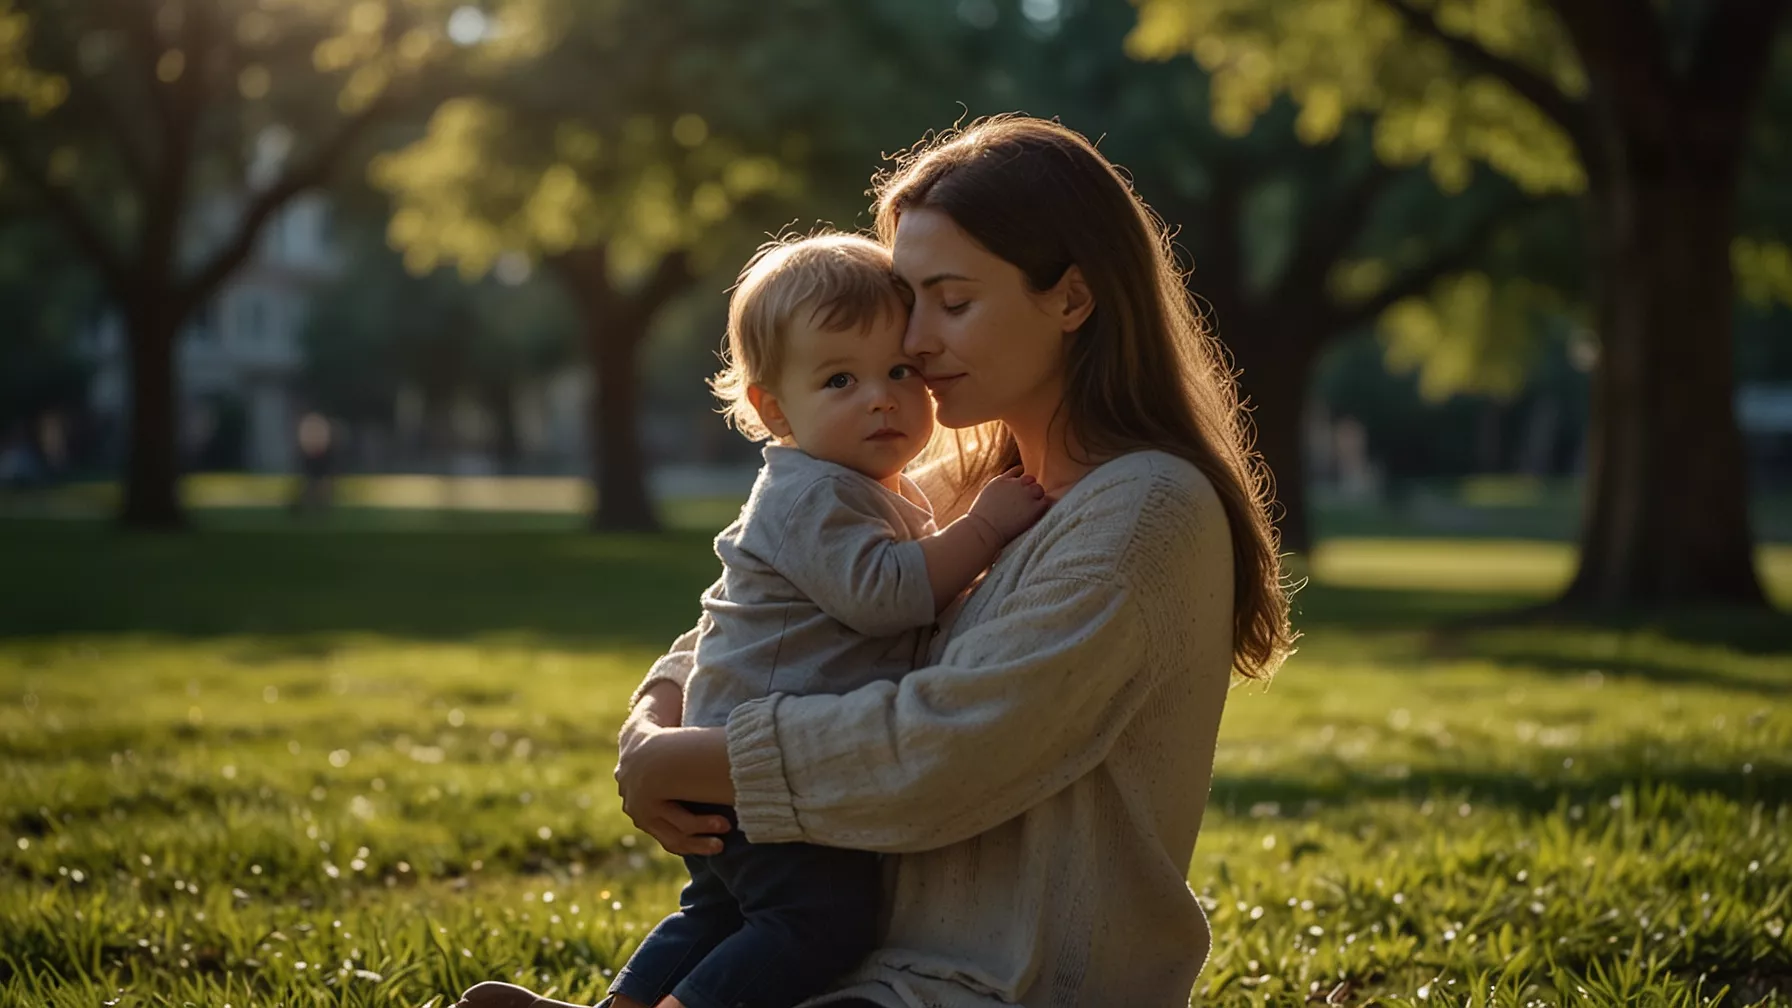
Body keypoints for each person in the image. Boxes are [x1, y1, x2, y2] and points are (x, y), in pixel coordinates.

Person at [460, 115, 1294, 1008]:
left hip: (1002, 987)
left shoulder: (1143, 513)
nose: (916, 342)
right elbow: (762, 600)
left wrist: (702, 762)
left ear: (1072, 299)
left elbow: (944, 751)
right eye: (911, 301)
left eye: (953, 301)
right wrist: (651, 728)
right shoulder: (953, 485)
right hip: (874, 968)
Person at [467, 233, 1049, 1008]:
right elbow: (885, 593)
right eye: (840, 378)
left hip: (738, 751)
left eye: (900, 370)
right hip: (751, 762)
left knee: (717, 913)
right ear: (776, 409)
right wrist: (982, 529)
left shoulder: (860, 485)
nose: (881, 395)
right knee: (817, 922)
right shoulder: (816, 494)